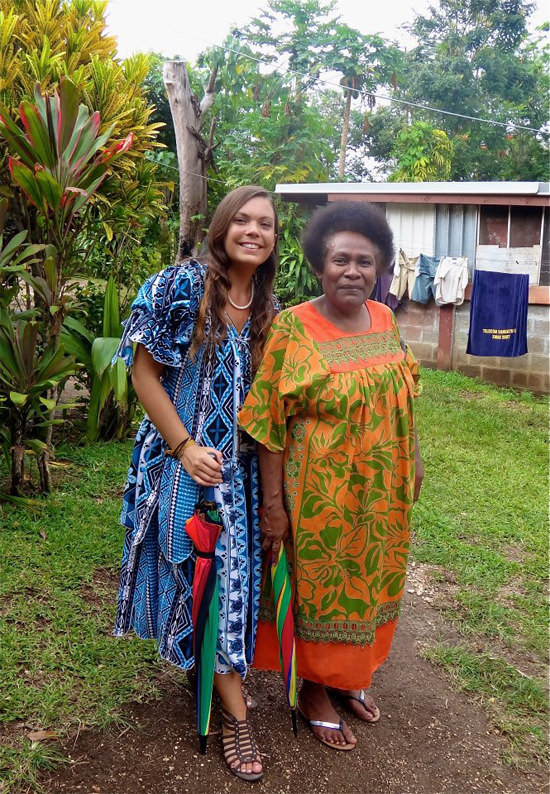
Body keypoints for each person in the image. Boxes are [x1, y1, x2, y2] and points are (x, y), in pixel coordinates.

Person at [239, 201, 423, 751]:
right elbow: (268, 424)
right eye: (340, 260)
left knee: (371, 583)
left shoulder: (386, 320)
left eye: (365, 262)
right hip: (321, 497)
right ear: (320, 264)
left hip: (382, 493)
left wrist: (414, 458)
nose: (353, 271)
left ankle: (349, 677)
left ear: (380, 267)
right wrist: (274, 507)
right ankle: (314, 690)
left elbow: (405, 396)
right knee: (322, 594)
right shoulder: (294, 327)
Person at [113, 185, 279, 781]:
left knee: (228, 588)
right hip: (180, 468)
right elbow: (143, 374)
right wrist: (184, 447)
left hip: (236, 479)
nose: (253, 231)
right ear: (222, 225)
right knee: (200, 581)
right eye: (243, 220)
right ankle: (235, 716)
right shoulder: (180, 286)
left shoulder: (266, 306)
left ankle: (210, 678)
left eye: (265, 223)